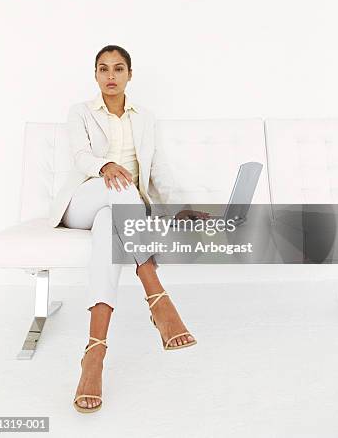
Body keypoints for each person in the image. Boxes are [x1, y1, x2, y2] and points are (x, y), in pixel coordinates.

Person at [48, 44, 209, 413]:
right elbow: (80, 156)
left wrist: (182, 207)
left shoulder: (146, 118)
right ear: (95, 75)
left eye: (118, 69)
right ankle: (156, 295)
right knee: (116, 188)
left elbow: (159, 172)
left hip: (122, 211)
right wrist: (105, 166)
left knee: (111, 224)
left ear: (129, 75)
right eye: (103, 69)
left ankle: (94, 354)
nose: (110, 76)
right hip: (83, 201)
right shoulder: (80, 113)